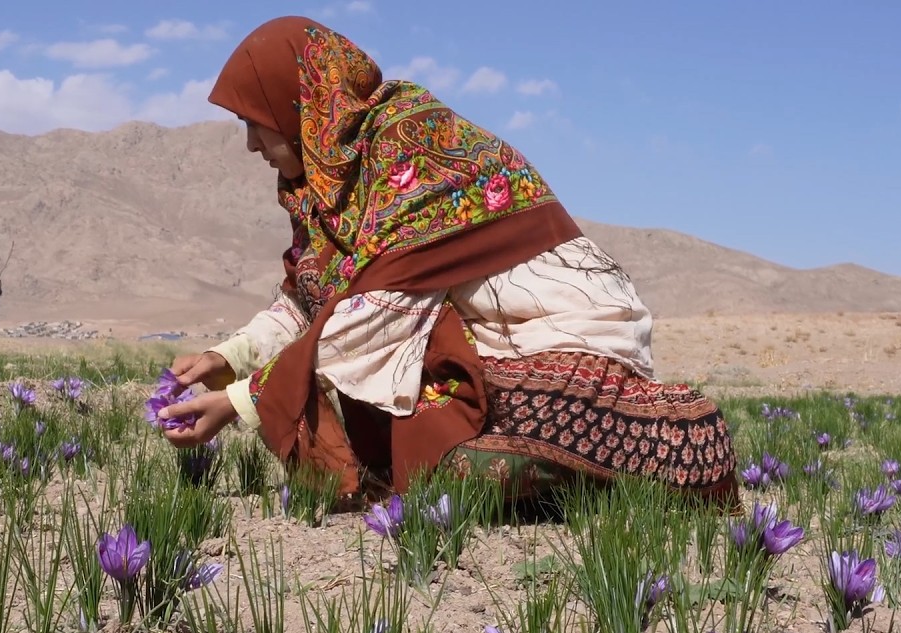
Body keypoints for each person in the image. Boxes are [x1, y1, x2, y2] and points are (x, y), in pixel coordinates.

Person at [156, 16, 740, 510]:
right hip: (488, 334)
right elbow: (309, 299)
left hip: (562, 333)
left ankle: (670, 442)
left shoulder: (406, 144)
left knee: (484, 440)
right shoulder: (328, 183)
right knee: (428, 441)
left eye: (254, 123)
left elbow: (371, 313)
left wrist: (239, 403)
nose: (252, 144)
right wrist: (226, 357)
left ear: (295, 105)